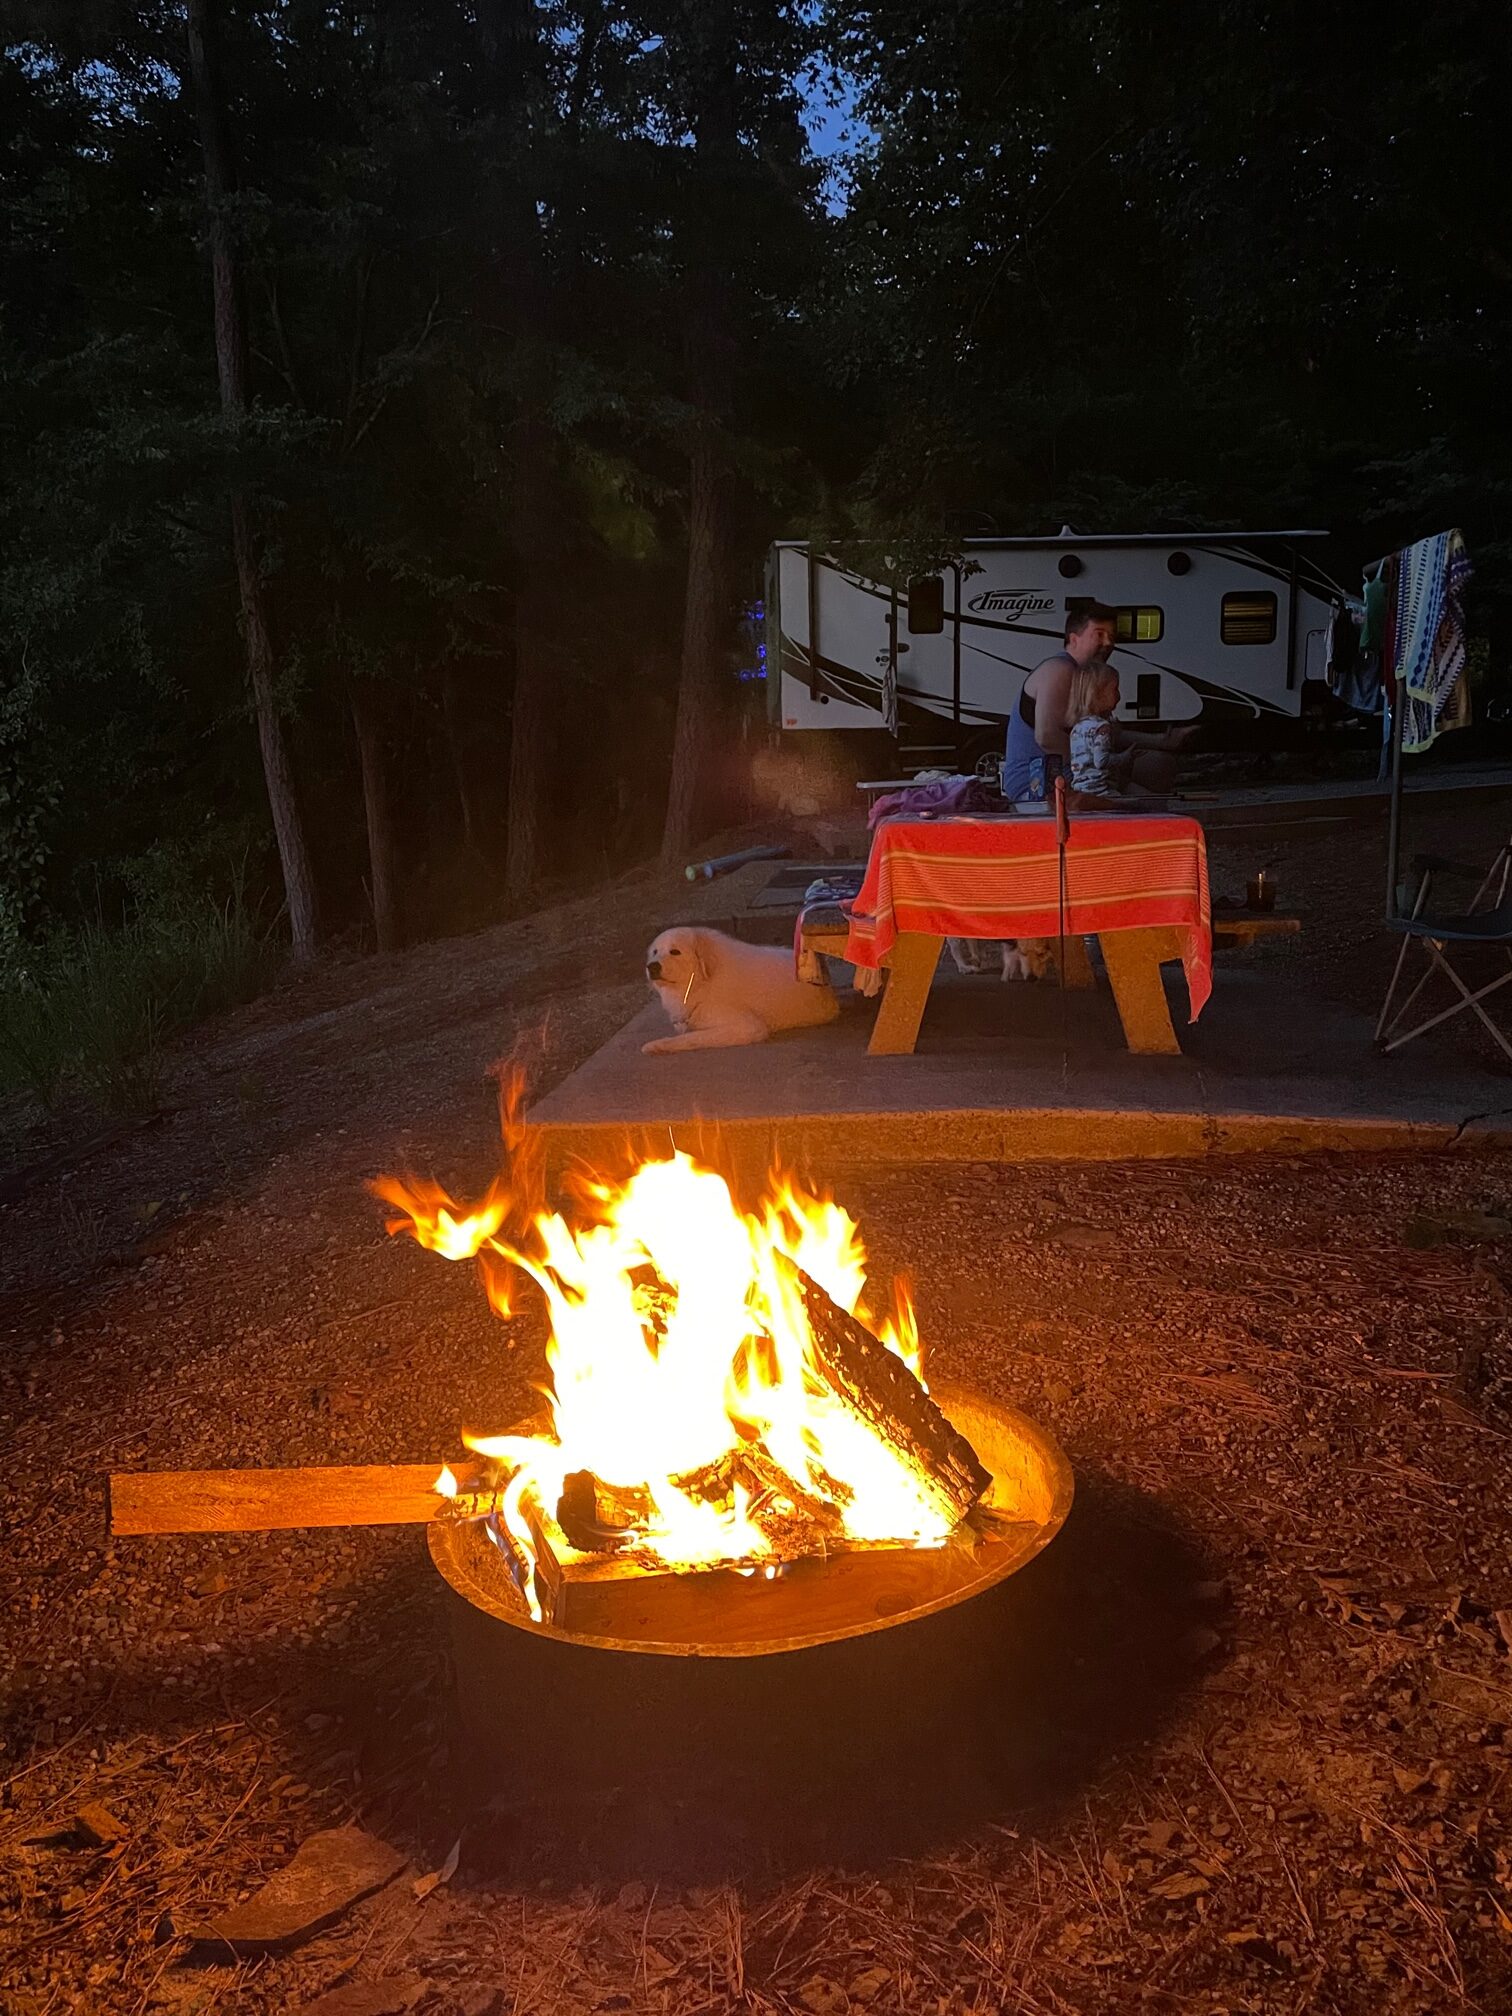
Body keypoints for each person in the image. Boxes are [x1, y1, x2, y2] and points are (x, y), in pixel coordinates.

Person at [1001, 603, 1195, 802]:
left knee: (1159, 764)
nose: (1109, 642)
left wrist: (1162, 741)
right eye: (1099, 634)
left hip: (1078, 773)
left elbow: (1100, 733)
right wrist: (1103, 766)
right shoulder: (1059, 670)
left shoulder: (1089, 677)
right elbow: (1047, 736)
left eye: (1112, 636)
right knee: (1146, 807)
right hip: (1040, 780)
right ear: (1073, 639)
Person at [1066, 659, 1164, 809]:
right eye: (1114, 689)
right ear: (1098, 694)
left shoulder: (1078, 727)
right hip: (1102, 791)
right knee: (1147, 807)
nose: (1119, 695)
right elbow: (1101, 761)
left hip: (1083, 790)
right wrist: (1125, 757)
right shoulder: (1102, 727)